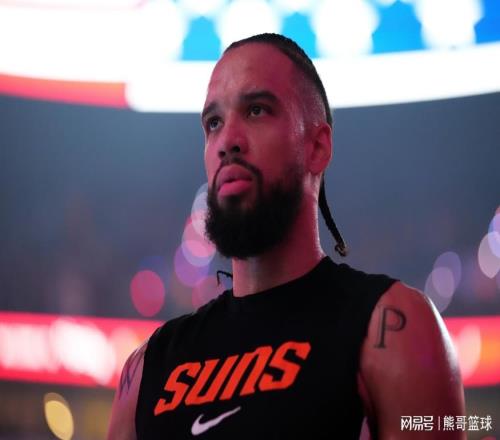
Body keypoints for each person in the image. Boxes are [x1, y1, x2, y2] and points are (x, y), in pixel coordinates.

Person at [107, 33, 465, 439]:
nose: (227, 141)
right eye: (214, 123)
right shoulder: (148, 368)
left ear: (317, 147)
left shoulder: (393, 326)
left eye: (256, 110)